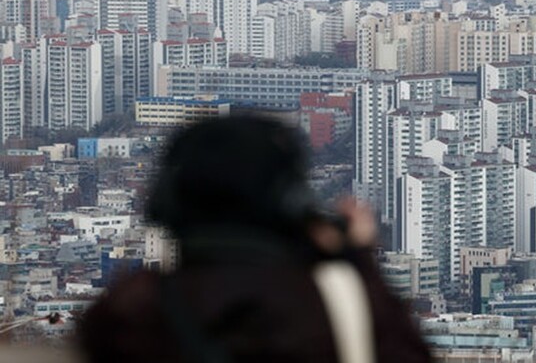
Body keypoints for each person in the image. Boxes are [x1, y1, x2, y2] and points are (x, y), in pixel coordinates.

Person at [78, 115, 430, 363]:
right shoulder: (332, 306)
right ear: (291, 204)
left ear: (167, 203)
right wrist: (355, 259)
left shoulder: (133, 310)